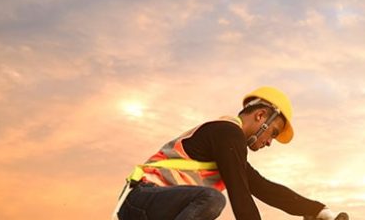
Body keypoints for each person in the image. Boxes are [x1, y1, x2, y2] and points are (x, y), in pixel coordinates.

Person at [114, 86, 346, 220]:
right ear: (260, 116)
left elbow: (265, 189)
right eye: (273, 134)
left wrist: (318, 210)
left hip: (154, 205)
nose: (269, 143)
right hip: (141, 199)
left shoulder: (229, 148)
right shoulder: (227, 132)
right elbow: (240, 195)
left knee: (210, 200)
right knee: (212, 199)